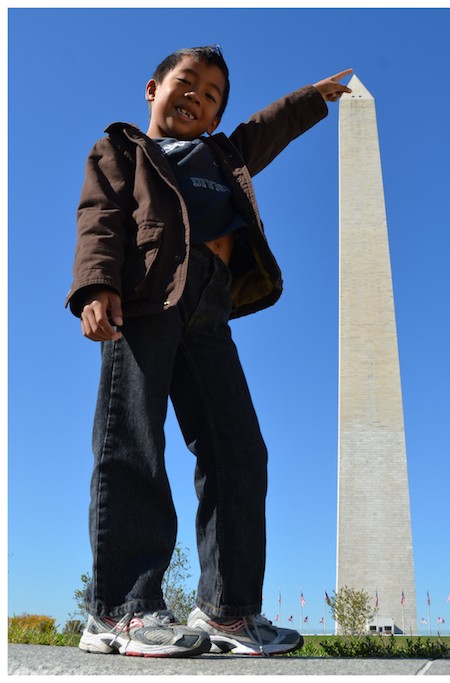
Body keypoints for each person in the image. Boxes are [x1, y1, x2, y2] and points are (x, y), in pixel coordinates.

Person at [67, 45, 352, 657]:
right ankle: (120, 608)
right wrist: (95, 286)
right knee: (132, 443)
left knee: (239, 449)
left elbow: (264, 131)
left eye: (212, 93)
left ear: (219, 115)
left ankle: (227, 611)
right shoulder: (122, 148)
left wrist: (310, 99)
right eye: (186, 82)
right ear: (153, 89)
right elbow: (99, 219)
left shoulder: (224, 153)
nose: (197, 96)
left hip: (210, 311)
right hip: (145, 297)